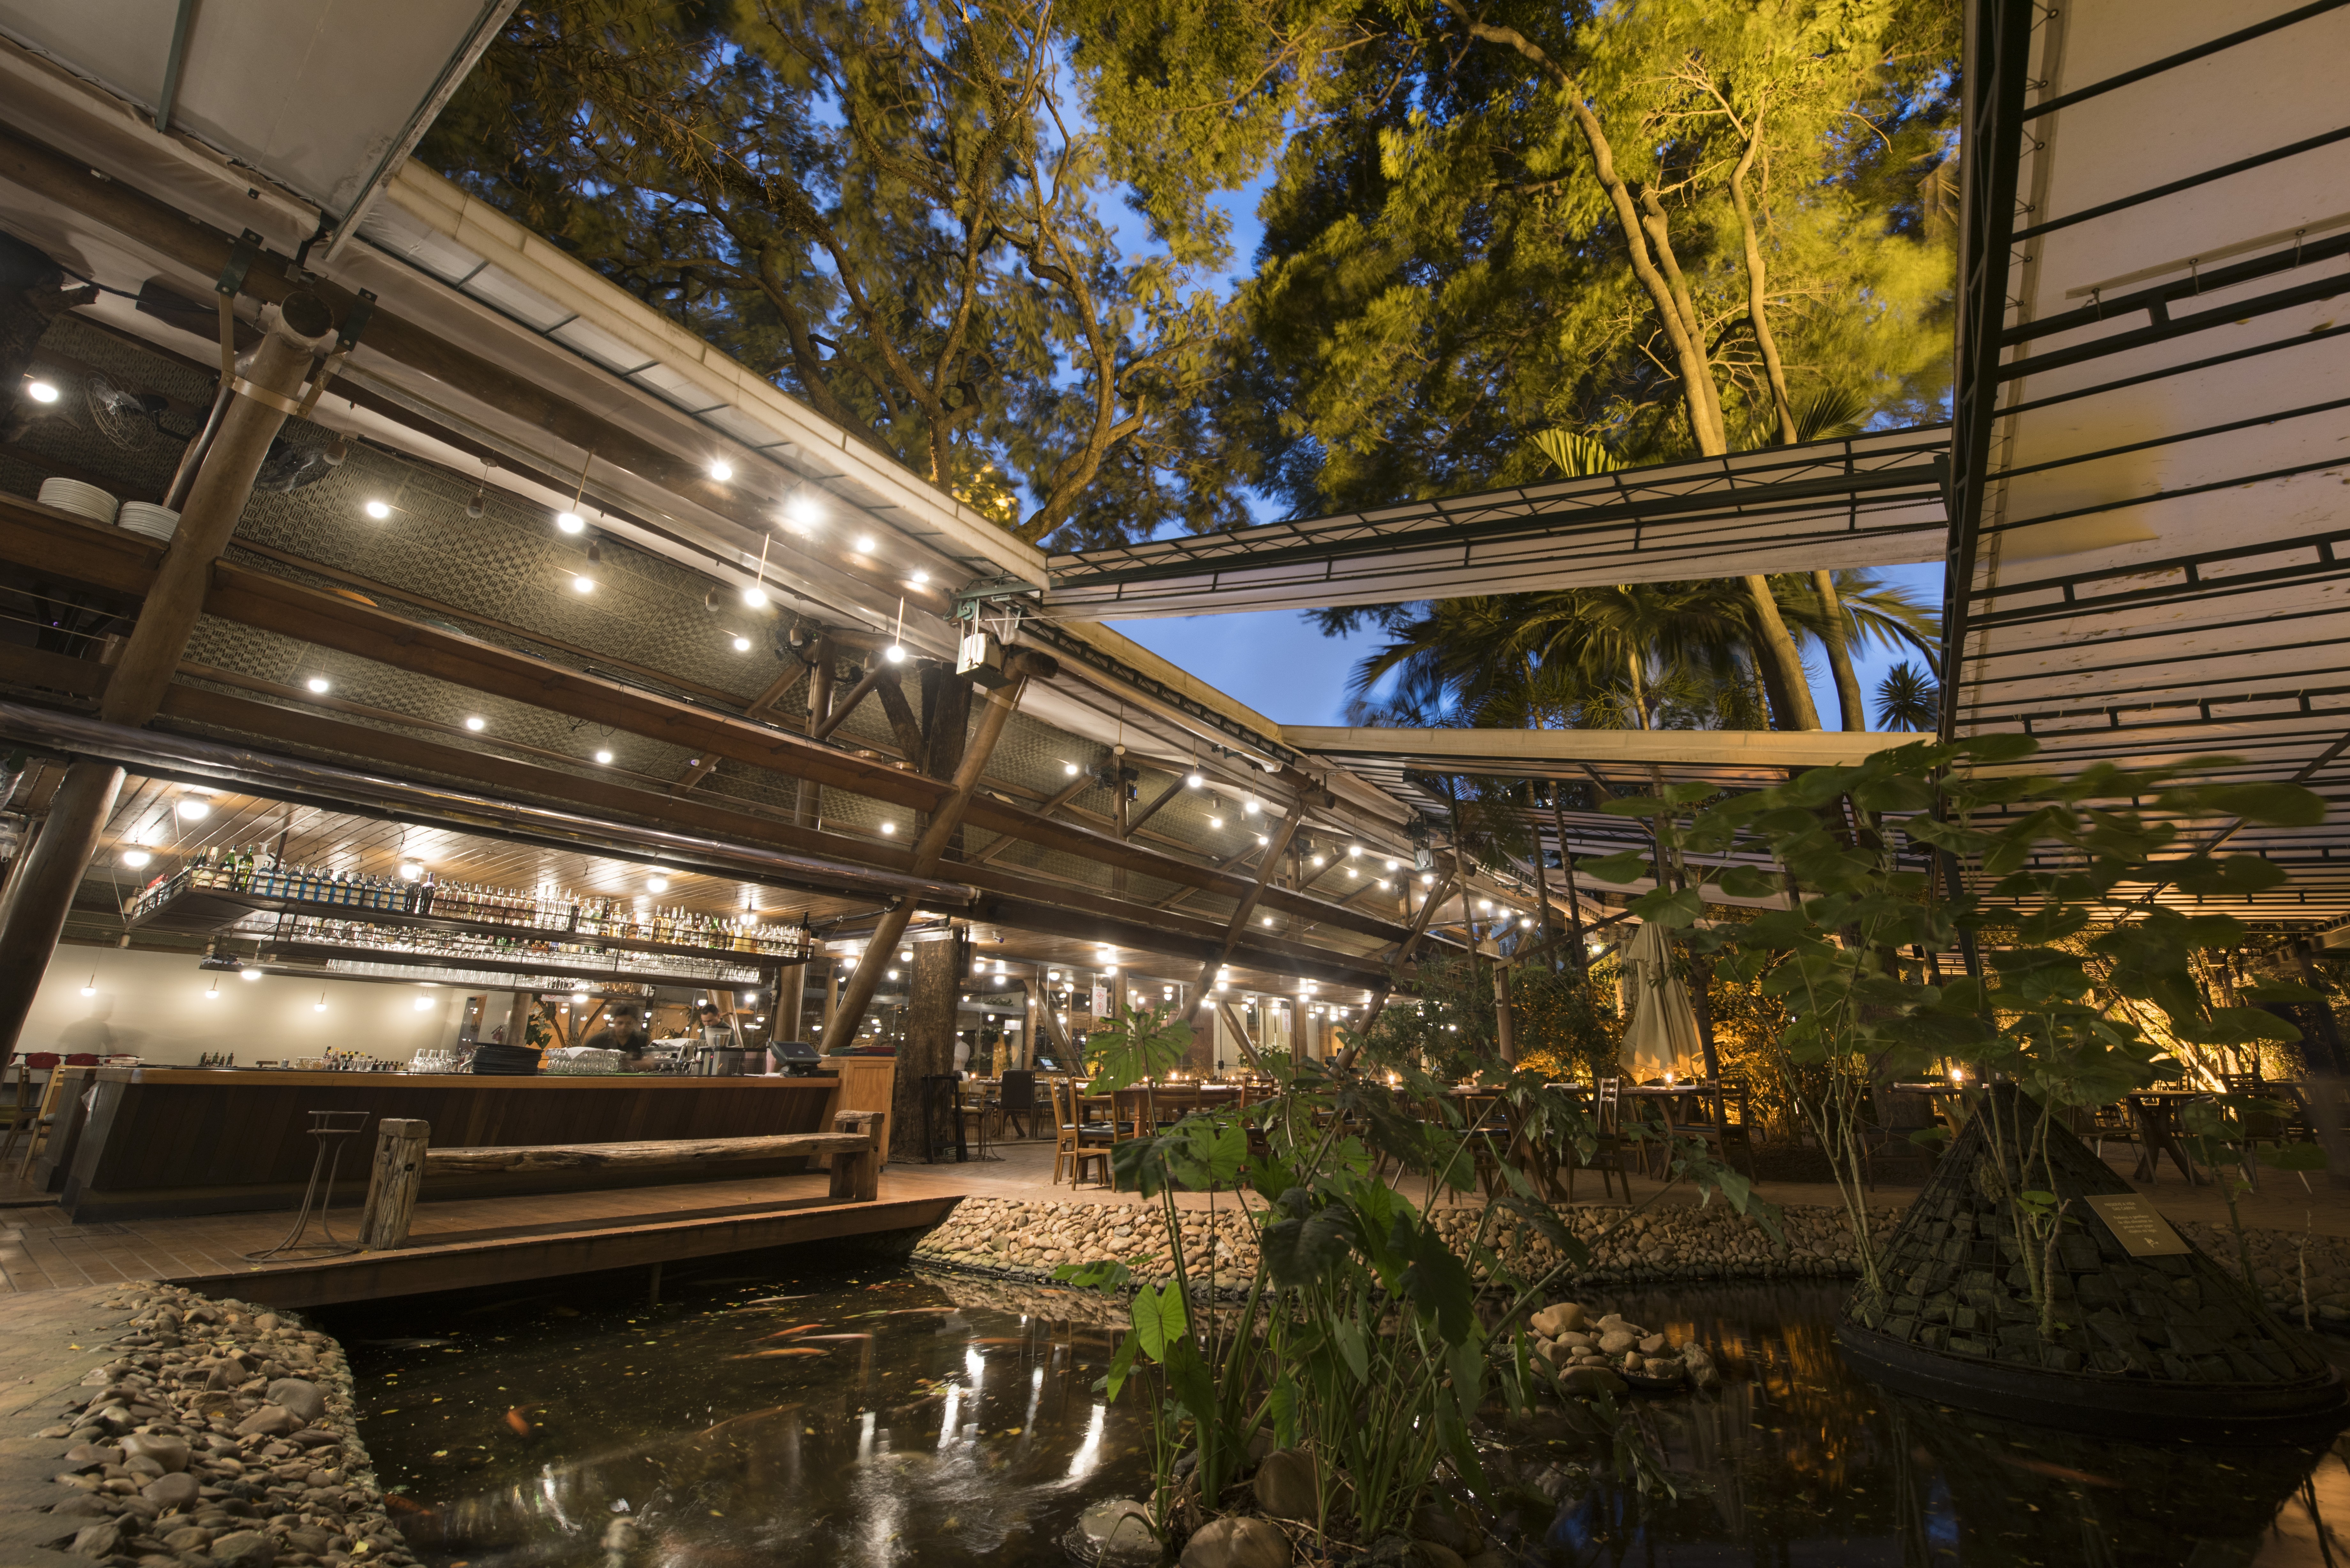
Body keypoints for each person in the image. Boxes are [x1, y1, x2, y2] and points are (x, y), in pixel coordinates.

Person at [583, 1004, 655, 1071]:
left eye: (629, 1023)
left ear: (636, 1023)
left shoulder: (644, 1039)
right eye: (620, 1023)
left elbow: (652, 1063)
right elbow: (584, 1063)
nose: (624, 1027)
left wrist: (627, 1064)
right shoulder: (597, 1041)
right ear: (614, 1021)